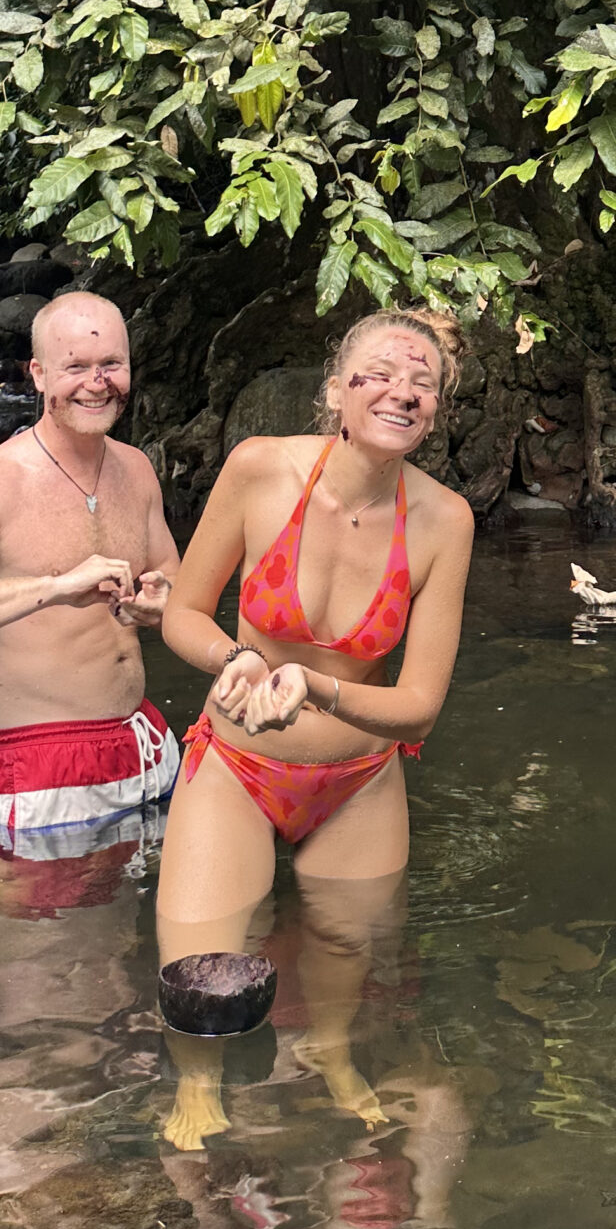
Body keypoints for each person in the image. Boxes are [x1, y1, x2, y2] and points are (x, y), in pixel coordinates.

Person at [155, 308, 475, 1149]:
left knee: (343, 949)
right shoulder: (259, 469)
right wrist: (234, 659)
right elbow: (183, 613)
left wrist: (318, 688)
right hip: (238, 765)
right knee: (198, 969)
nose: (402, 392)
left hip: (360, 782)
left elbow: (420, 706)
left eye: (423, 383)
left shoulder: (446, 520)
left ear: (436, 412)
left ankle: (331, 1055)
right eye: (381, 373)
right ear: (336, 391)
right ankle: (197, 1083)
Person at [0, 288, 181, 859]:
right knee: (33, 918)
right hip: (44, 760)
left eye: (111, 364)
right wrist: (54, 588)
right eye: (76, 367)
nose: (97, 383)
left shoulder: (137, 468)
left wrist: (161, 598)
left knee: (135, 916)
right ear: (39, 375)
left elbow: (171, 572)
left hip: (145, 742)